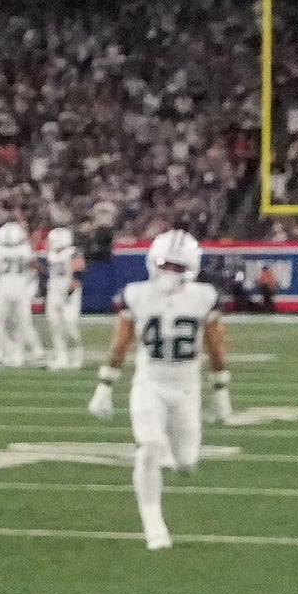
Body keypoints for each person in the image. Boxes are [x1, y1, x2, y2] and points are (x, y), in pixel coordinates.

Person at [93, 227, 233, 553]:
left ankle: (175, 452)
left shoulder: (203, 297)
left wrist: (221, 392)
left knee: (186, 462)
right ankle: (154, 526)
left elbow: (216, 346)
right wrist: (104, 386)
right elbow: (121, 343)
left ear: (192, 269)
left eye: (178, 266)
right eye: (165, 264)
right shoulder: (137, 294)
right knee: (149, 447)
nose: (170, 272)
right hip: (150, 384)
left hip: (187, 390)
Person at [0, 218, 38, 368]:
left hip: (4, 288)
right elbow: (33, 265)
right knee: (21, 324)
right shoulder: (26, 249)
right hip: (21, 288)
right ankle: (18, 355)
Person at [42, 222, 84, 368]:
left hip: (68, 293)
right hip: (54, 291)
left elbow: (79, 271)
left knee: (70, 325)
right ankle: (61, 356)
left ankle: (77, 355)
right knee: (54, 325)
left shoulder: (73, 252)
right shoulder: (52, 254)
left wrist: (70, 291)